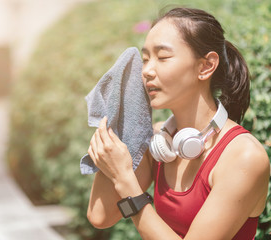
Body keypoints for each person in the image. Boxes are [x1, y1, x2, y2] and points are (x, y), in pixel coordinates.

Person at [86, 7, 270, 239]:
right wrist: (117, 123)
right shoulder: (160, 144)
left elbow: (124, 190)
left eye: (162, 57)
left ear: (205, 66)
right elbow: (100, 216)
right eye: (145, 60)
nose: (147, 71)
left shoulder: (243, 156)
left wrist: (124, 179)